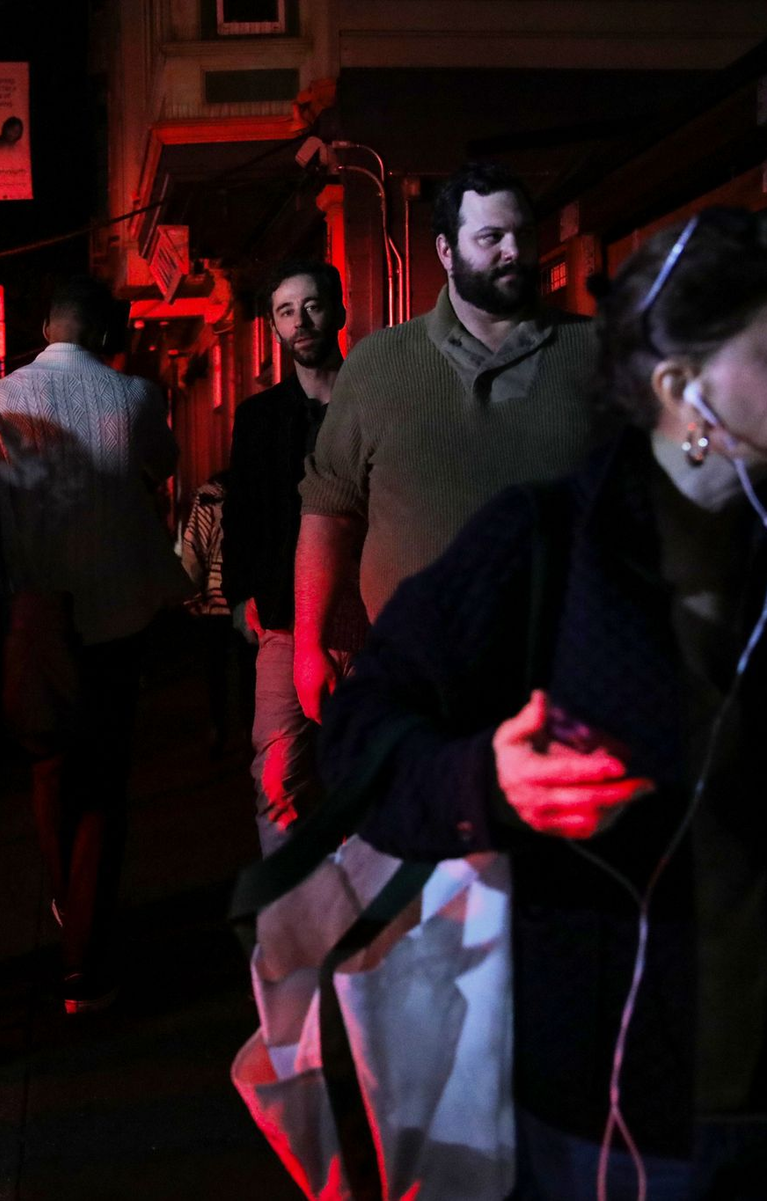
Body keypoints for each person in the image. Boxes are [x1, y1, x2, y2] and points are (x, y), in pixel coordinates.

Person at [320, 206, 767, 1197]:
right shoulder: (544, 545)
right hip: (611, 1117)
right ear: (682, 384)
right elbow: (356, 743)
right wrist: (484, 776)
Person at [293, 162, 603, 722]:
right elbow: (330, 509)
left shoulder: (595, 352)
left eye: (523, 235)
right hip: (418, 676)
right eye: (491, 238)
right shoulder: (381, 363)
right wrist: (308, 645)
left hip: (568, 674)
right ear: (444, 251)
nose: (513, 251)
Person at [0, 275, 189, 1013]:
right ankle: (83, 961)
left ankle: (69, 901)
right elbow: (162, 469)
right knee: (104, 782)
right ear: (106, 332)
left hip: (36, 614)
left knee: (49, 768)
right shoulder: (137, 397)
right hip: (116, 614)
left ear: (45, 325)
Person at [222, 260, 348, 853]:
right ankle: (295, 920)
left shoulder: (369, 401)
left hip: (370, 612)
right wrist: (242, 595)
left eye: (313, 305)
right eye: (286, 310)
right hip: (285, 619)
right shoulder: (259, 418)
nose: (301, 320)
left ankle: (368, 924)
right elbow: (242, 511)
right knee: (277, 777)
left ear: (338, 310)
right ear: (274, 326)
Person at [179, 470, 252, 759]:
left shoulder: (209, 496)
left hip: (215, 595)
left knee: (215, 668)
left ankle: (218, 728)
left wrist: (191, 595)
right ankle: (250, 728)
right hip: (248, 596)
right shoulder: (254, 490)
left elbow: (193, 547)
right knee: (249, 667)